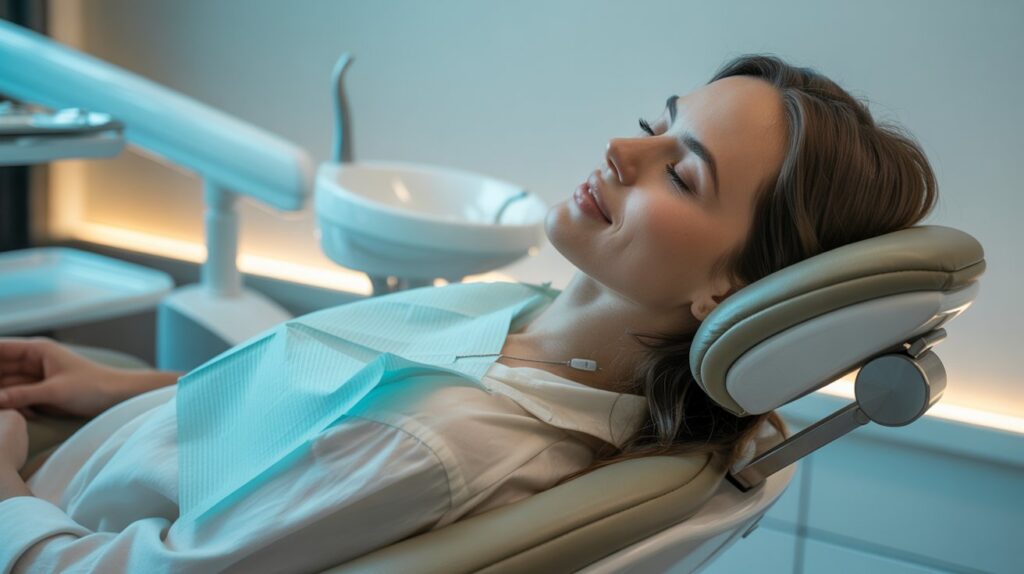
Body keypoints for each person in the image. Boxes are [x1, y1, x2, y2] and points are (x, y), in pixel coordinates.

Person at [0, 54, 937, 572]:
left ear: (730, 292)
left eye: (681, 173)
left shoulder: (444, 442)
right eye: (657, 125)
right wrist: (120, 388)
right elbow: (332, 398)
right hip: (103, 453)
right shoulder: (532, 322)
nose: (620, 149)